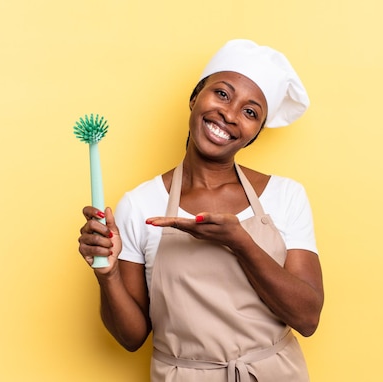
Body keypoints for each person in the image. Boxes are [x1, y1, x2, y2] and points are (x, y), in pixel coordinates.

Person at [78, 39, 324, 382]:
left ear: (255, 134)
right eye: (222, 94)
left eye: (250, 112)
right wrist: (108, 274)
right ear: (196, 97)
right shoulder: (139, 204)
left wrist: (241, 242)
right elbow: (131, 338)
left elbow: (307, 317)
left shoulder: (285, 195)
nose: (229, 113)